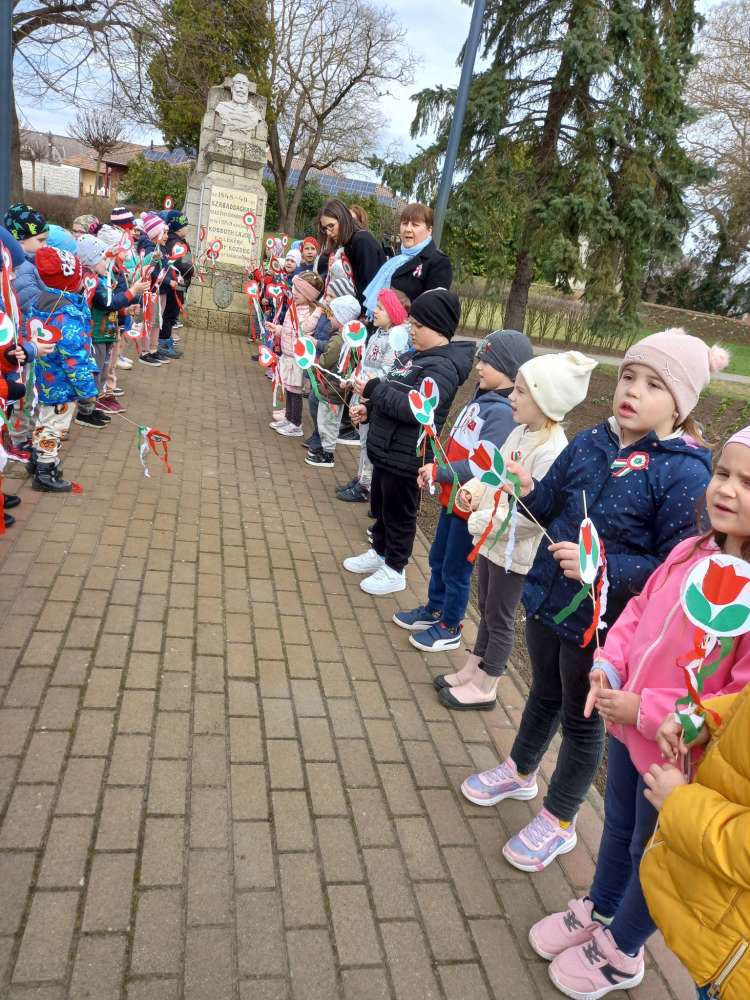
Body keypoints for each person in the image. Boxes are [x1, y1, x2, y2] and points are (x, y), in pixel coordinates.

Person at [460, 329, 728, 873]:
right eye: (628, 376)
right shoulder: (590, 441)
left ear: (680, 403)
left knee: (582, 721)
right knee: (543, 692)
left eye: (654, 384)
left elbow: (675, 568)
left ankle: (560, 818)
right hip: (547, 595)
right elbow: (548, 502)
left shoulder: (685, 472)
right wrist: (522, 485)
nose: (633, 390)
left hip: (603, 624)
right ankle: (521, 770)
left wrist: (601, 566)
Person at [527, 426, 750, 1000]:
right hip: (629, 732)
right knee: (620, 830)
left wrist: (647, 710)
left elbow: (736, 702)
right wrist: (610, 665)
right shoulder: (691, 552)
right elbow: (639, 611)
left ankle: (624, 948)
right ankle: (601, 907)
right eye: (724, 474)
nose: (727, 489)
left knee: (655, 854)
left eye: (748, 483)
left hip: (676, 761)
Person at [436, 350, 595, 703]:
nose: (512, 396)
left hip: (513, 552)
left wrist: (479, 521)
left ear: (545, 400)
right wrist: (473, 491)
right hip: (491, 539)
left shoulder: (551, 451)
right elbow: (493, 473)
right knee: (486, 607)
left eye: (521, 391)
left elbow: (530, 518)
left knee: (501, 617)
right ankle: (474, 667)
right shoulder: (521, 432)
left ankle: (488, 683)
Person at [393, 329, 535, 650]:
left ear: (509, 369)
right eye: (480, 359)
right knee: (438, 557)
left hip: (468, 505)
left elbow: (482, 464)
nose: (479, 366)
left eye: (488, 361)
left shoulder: (500, 413)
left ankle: (451, 624)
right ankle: (435, 608)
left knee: (456, 568)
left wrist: (440, 472)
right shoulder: (482, 399)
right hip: (452, 500)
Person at [344, 288, 474, 595]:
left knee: (399, 514)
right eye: (411, 323)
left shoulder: (442, 368)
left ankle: (395, 568)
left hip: (407, 456)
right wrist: (370, 409)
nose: (410, 330)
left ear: (438, 327)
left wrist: (374, 391)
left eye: (418, 325)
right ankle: (379, 551)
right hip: (386, 449)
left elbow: (416, 410)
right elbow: (394, 390)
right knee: (381, 506)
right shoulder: (413, 356)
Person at [28, 246, 104, 491]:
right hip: (61, 384)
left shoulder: (40, 301)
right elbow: (74, 358)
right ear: (71, 280)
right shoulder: (68, 313)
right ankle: (45, 471)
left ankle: (36, 458)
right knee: (54, 426)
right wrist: (87, 390)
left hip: (43, 377)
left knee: (44, 420)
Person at [336, 288, 411, 503]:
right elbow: (366, 364)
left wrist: (365, 385)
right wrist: (353, 379)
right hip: (363, 395)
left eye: (380, 308)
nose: (374, 311)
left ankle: (365, 486)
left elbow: (388, 373)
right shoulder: (379, 333)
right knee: (363, 441)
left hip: (373, 399)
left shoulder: (396, 339)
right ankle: (362, 477)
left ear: (394, 312)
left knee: (369, 443)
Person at [76, 234, 148, 412]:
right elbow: (109, 303)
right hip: (97, 335)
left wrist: (125, 311)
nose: (107, 263)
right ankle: (87, 410)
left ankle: (97, 403)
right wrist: (132, 291)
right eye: (104, 259)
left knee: (103, 369)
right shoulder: (93, 282)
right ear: (91, 260)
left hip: (107, 332)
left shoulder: (102, 279)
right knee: (95, 371)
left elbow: (110, 308)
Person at [363, 203, 452, 318]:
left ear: (429, 230)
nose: (408, 229)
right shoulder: (397, 260)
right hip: (379, 324)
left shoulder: (438, 262)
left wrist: (405, 304)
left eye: (415, 225)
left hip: (408, 327)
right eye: (404, 223)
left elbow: (434, 309)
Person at [305, 294, 362, 468]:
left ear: (342, 318)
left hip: (332, 388)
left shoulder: (339, 339)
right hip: (335, 387)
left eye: (333, 315)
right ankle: (324, 448)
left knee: (328, 421)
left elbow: (326, 360)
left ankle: (327, 454)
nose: (329, 318)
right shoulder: (344, 336)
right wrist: (317, 343)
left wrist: (313, 360)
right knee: (329, 419)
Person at [269, 271, 324, 437]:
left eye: (299, 290)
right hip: (287, 356)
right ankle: (288, 418)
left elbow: (305, 328)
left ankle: (296, 424)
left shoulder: (309, 311)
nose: (294, 292)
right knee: (289, 389)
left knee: (295, 392)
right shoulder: (294, 307)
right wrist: (278, 329)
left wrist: (316, 314)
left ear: (309, 295)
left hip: (296, 359)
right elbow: (290, 329)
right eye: (294, 288)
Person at [318, 198, 385, 306]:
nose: (328, 233)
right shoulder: (349, 242)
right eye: (325, 229)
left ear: (343, 219)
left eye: (331, 226)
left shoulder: (361, 240)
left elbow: (368, 286)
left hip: (370, 309)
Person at [136, 212, 170, 366]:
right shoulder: (151, 250)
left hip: (160, 291)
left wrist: (173, 278)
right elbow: (151, 271)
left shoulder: (162, 249)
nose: (167, 236)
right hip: (151, 292)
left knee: (157, 321)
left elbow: (165, 268)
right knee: (148, 321)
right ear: (156, 234)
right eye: (164, 233)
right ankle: (144, 352)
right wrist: (169, 281)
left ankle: (153, 349)